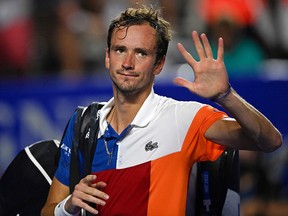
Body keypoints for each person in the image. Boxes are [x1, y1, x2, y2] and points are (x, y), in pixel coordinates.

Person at [41, 5, 282, 216]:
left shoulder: (184, 119)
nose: (127, 62)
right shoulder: (84, 123)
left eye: (141, 53)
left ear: (159, 64)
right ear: (107, 57)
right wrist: (68, 207)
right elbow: (49, 210)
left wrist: (226, 96)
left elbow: (269, 141)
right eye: (120, 50)